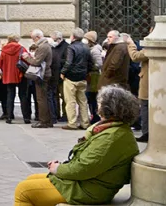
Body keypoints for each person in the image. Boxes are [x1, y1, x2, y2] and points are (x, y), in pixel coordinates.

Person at [13, 85, 141, 206]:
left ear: (109, 109)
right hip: (90, 183)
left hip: (90, 189)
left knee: (23, 191)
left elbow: (84, 168)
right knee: (31, 179)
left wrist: (58, 169)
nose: (97, 107)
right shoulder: (115, 130)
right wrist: (62, 167)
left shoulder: (112, 137)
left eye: (100, 104)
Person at [61, 28, 93, 131]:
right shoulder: (86, 47)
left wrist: (63, 72)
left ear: (73, 37)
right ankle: (85, 122)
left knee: (70, 101)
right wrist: (86, 72)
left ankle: (72, 123)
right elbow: (90, 63)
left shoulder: (71, 47)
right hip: (82, 77)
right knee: (83, 101)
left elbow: (68, 62)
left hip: (71, 77)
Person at [23, 29, 53, 129]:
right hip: (45, 74)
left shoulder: (43, 46)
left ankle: (43, 121)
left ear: (38, 37)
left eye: (33, 38)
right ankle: (48, 120)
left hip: (42, 75)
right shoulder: (45, 45)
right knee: (44, 97)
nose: (33, 41)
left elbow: (36, 62)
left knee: (41, 98)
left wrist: (27, 57)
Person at [0, 34, 30, 125]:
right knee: (23, 96)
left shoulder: (4, 50)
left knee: (10, 96)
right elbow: (27, 60)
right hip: (20, 75)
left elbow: (0, 63)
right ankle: (26, 117)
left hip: (9, 75)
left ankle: (9, 117)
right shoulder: (22, 49)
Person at [124, 31, 149, 142]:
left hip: (148, 83)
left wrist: (130, 43)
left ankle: (146, 133)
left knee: (145, 106)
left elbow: (135, 56)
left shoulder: (152, 47)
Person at [84, 31, 103, 125]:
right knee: (91, 97)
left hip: (94, 77)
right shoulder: (91, 48)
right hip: (92, 75)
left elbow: (99, 64)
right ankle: (94, 115)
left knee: (92, 97)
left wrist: (91, 67)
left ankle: (95, 116)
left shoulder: (95, 50)